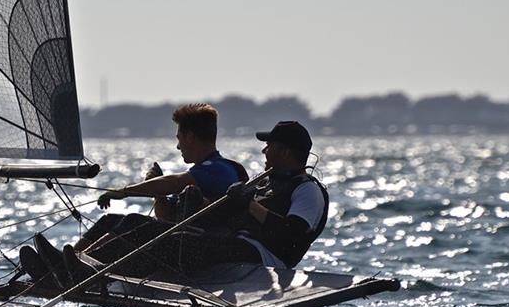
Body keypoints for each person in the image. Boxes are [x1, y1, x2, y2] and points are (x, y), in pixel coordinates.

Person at [60, 120, 329, 282]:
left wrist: (249, 204)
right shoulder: (265, 181)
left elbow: (291, 234)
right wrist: (199, 203)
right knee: (134, 222)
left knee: (168, 240)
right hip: (233, 243)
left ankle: (90, 273)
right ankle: (74, 264)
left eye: (269, 146)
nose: (264, 150)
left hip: (264, 259)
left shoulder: (307, 191)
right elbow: (224, 216)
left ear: (284, 151)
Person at [17, 103, 246, 289]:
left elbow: (174, 182)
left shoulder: (219, 168)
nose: (177, 146)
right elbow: (166, 218)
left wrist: (126, 191)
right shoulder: (202, 170)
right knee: (110, 220)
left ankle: (80, 269)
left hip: (202, 248)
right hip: (182, 240)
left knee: (134, 221)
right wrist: (158, 195)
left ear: (190, 137)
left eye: (179, 138)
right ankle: (68, 264)